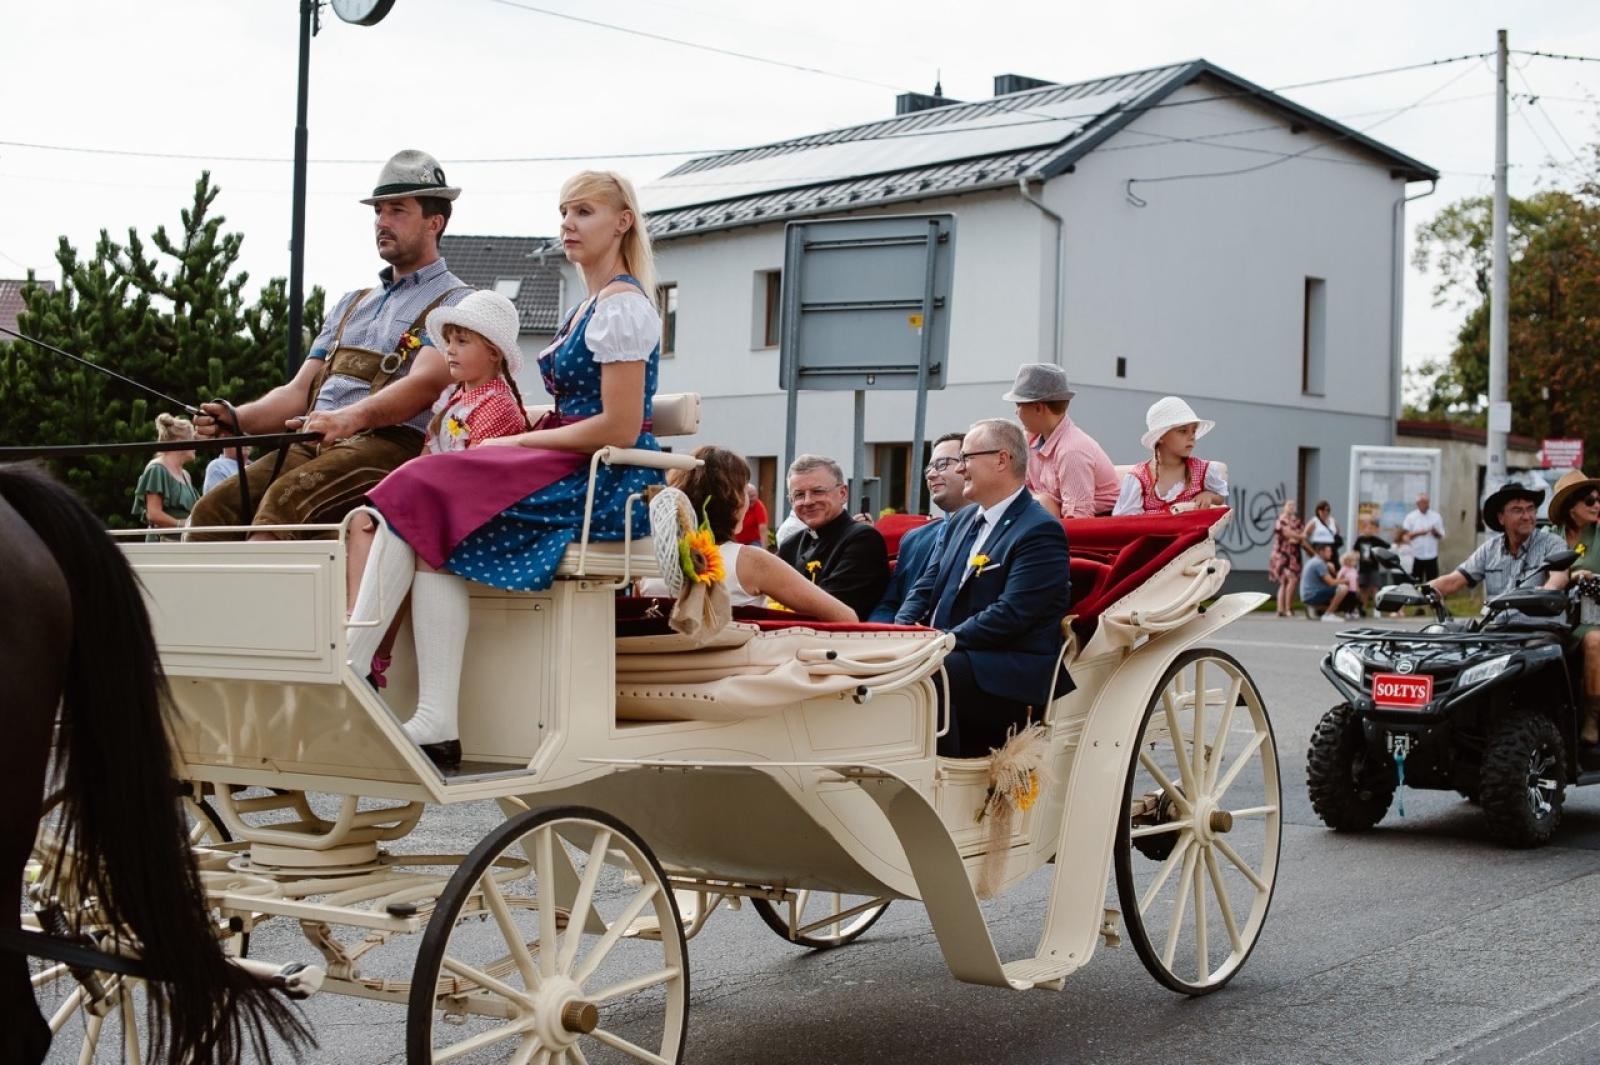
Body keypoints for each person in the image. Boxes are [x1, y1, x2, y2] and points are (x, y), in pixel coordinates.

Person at [344, 170, 664, 769]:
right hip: (573, 461)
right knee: (427, 523)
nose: (568, 223)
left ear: (623, 222)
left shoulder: (624, 307)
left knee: (418, 486)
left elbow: (620, 427)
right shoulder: (589, 305)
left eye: (585, 212)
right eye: (564, 211)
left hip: (605, 481)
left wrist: (515, 444)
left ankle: (355, 662)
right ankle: (431, 718)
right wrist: (524, 442)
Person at [188, 149, 469, 540]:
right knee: (212, 511)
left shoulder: (456, 301)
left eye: (397, 210)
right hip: (315, 441)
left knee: (280, 510)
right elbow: (300, 391)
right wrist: (236, 419)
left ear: (434, 222)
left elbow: (425, 384)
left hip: (392, 446)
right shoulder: (351, 303)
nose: (382, 222)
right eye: (378, 211)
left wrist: (348, 419)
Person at [348, 288, 534, 687]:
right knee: (364, 521)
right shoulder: (453, 396)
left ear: (494, 353)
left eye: (462, 341)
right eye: (448, 340)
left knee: (390, 528)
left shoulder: (498, 405)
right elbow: (430, 453)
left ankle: (369, 650)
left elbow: (476, 472)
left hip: (470, 507)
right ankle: (358, 635)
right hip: (440, 499)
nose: (449, 350)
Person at [896, 419, 1073, 757]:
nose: (960, 469)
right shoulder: (963, 520)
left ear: (1001, 460)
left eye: (966, 458)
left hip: (1006, 669)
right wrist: (898, 636)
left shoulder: (1040, 531)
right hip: (951, 649)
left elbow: (1012, 614)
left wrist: (939, 643)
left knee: (931, 675)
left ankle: (939, 778)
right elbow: (924, 587)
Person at [639, 447, 856, 619]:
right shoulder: (751, 561)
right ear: (735, 502)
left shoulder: (645, 563)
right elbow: (845, 617)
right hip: (734, 669)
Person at [777, 455, 890, 621]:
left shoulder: (863, 540)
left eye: (818, 492)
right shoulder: (790, 545)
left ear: (843, 493)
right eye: (799, 495)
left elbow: (831, 608)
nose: (808, 501)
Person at [870, 432, 968, 623]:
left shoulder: (989, 533)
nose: (931, 474)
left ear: (969, 467)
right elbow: (890, 604)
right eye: (929, 467)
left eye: (942, 464)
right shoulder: (914, 539)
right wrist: (881, 638)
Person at [1425, 483, 1566, 614]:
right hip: (1496, 630)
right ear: (1501, 518)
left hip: (1539, 630)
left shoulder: (1552, 543)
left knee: (1542, 642)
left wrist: (1547, 591)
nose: (1527, 516)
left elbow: (1559, 577)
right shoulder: (1489, 550)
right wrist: (1416, 591)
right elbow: (1453, 581)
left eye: (1530, 509)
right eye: (1517, 510)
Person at [1004, 363, 1118, 518]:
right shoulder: (1031, 442)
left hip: (1096, 532)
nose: (1016, 412)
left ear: (1038, 408)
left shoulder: (1072, 451)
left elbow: (1079, 518)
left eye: (1019, 405)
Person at [1546, 470, 1600, 767]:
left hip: (1594, 618)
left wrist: (1587, 577)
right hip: (1556, 619)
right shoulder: (1548, 538)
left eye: (1598, 500)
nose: (1597, 505)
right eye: (1589, 500)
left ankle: (1592, 722)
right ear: (1571, 507)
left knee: (1595, 640)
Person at [1111, 396, 1228, 515]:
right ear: (1160, 436)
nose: (1192, 436)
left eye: (1193, 431)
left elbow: (1221, 496)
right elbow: (1127, 522)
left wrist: (1210, 496)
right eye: (1183, 431)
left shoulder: (1203, 471)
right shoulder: (1139, 478)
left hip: (1191, 533)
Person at [132, 413, 198, 541]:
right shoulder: (157, 469)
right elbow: (153, 514)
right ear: (180, 441)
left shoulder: (186, 475)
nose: (196, 446)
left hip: (183, 542)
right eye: (193, 440)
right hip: (163, 544)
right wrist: (183, 525)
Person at [1267, 499, 1303, 617]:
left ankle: (1284, 609)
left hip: (1293, 555)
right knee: (1286, 581)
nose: (1291, 507)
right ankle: (1284, 609)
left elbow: (1302, 534)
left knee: (1291, 581)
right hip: (1281, 555)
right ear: (1284, 507)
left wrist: (1296, 537)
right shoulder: (1281, 520)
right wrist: (1296, 536)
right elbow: (1286, 533)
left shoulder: (1296, 521)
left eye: (1293, 505)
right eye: (1289, 505)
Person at [1300, 543, 1353, 622]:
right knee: (1343, 588)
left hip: (1307, 594)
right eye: (1329, 551)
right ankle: (1328, 614)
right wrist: (1346, 580)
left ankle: (1313, 608)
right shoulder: (1319, 563)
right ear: (1321, 552)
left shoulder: (1313, 561)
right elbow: (1331, 582)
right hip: (1312, 594)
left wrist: (1332, 570)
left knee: (1337, 592)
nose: (1331, 554)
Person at [1399, 492, 1445, 582]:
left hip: (1432, 555)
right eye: (1422, 502)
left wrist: (1435, 532)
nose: (1425, 505)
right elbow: (1405, 536)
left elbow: (1441, 535)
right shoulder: (1411, 517)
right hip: (1416, 555)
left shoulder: (1436, 516)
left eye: (1427, 502)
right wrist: (1420, 533)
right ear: (1417, 504)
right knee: (1416, 581)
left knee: (1432, 581)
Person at [1351, 517, 1392, 616]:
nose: (1369, 530)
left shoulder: (1375, 539)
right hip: (1363, 568)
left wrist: (1379, 556)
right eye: (1367, 528)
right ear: (1363, 529)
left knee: (1375, 588)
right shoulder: (1360, 539)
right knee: (1363, 589)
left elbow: (1387, 546)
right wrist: (1356, 558)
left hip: (1374, 567)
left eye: (1371, 528)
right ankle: (1362, 609)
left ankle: (1377, 608)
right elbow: (1355, 550)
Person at [733, 483, 770, 547]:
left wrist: (764, 550)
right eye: (749, 496)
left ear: (757, 495)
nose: (751, 499)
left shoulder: (759, 507)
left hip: (753, 541)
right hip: (736, 541)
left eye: (753, 496)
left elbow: (763, 529)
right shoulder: (737, 505)